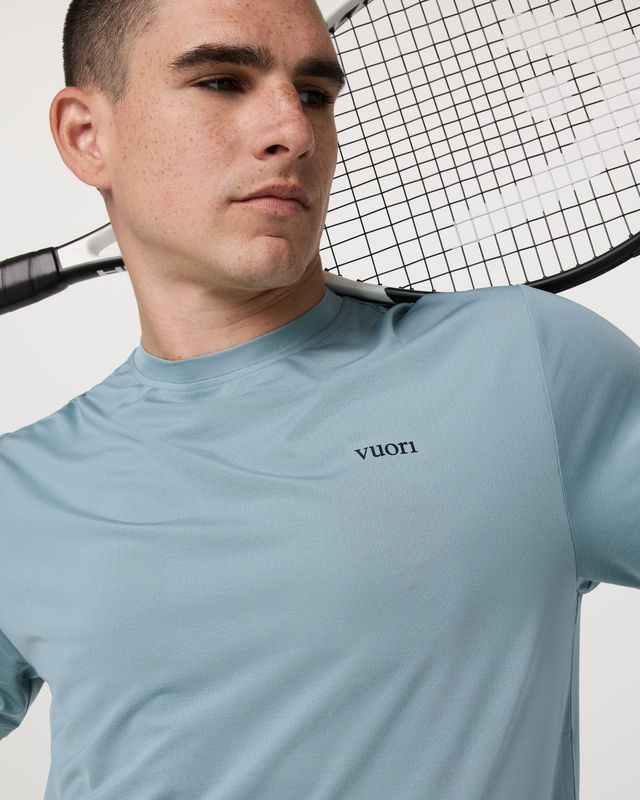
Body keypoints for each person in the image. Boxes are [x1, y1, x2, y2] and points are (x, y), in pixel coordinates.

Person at [0, 1, 638, 799]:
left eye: (314, 94)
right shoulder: (20, 486)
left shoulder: (525, 367)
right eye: (222, 81)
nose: (293, 132)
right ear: (87, 135)